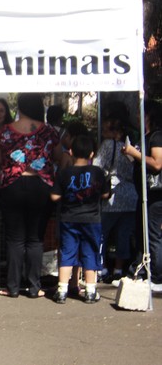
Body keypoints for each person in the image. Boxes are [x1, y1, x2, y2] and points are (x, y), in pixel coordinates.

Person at [0, 93, 62, 298]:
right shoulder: (49, 131)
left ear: (19, 107)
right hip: (41, 185)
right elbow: (58, 156)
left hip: (12, 185)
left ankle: (12, 287)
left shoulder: (5, 131)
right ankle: (34, 287)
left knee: (14, 239)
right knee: (35, 239)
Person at [51, 135, 111, 303]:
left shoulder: (64, 173)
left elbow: (55, 196)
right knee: (90, 251)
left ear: (70, 152)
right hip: (92, 220)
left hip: (68, 218)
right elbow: (106, 194)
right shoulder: (98, 172)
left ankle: (62, 289)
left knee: (67, 252)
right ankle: (91, 291)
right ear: (92, 154)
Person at [92, 111, 137, 283]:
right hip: (130, 193)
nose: (102, 133)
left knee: (103, 233)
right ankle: (118, 269)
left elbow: (97, 166)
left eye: (104, 130)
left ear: (113, 131)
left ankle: (101, 268)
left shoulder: (108, 144)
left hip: (112, 195)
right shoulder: (133, 146)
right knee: (123, 235)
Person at [122, 100, 162, 292]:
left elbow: (156, 163)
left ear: (148, 115)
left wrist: (134, 153)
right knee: (142, 233)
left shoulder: (156, 136)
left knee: (152, 235)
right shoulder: (146, 136)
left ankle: (157, 276)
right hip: (144, 192)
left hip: (155, 194)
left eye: (140, 113)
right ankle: (138, 271)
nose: (137, 117)